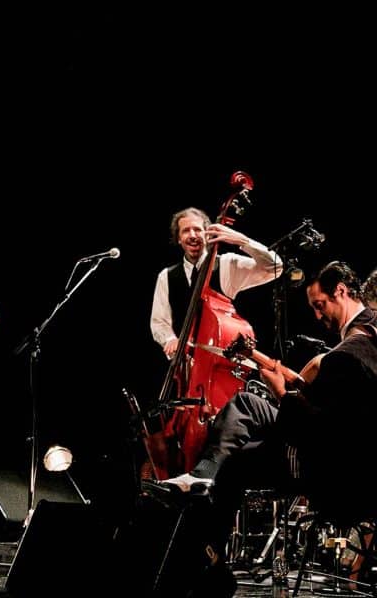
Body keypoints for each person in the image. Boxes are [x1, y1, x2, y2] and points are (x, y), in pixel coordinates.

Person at [157, 261, 377, 594]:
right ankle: (203, 479)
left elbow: (318, 432)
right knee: (247, 404)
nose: (317, 315)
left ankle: (210, 560)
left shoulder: (348, 355)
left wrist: (281, 393)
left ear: (341, 292)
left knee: (234, 461)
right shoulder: (365, 337)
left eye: (320, 305)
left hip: (329, 472)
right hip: (340, 456)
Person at [151, 206, 284, 361]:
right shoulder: (166, 276)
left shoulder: (227, 264)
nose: (193, 235)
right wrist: (169, 339)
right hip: (185, 365)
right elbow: (159, 321)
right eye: (186, 231)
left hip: (221, 361)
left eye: (198, 230)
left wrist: (242, 241)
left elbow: (275, 267)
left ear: (208, 234)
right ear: (178, 238)